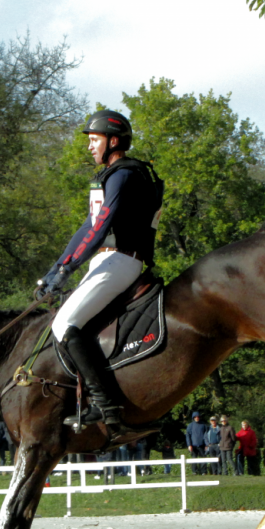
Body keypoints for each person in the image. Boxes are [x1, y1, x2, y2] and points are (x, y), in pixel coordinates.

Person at [34, 109, 164, 428]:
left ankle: (107, 407)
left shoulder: (123, 175)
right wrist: (55, 270)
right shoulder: (109, 176)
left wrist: (66, 271)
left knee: (65, 325)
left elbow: (100, 227)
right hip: (107, 259)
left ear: (113, 141)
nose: (90, 147)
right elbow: (86, 229)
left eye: (95, 140)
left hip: (121, 259)